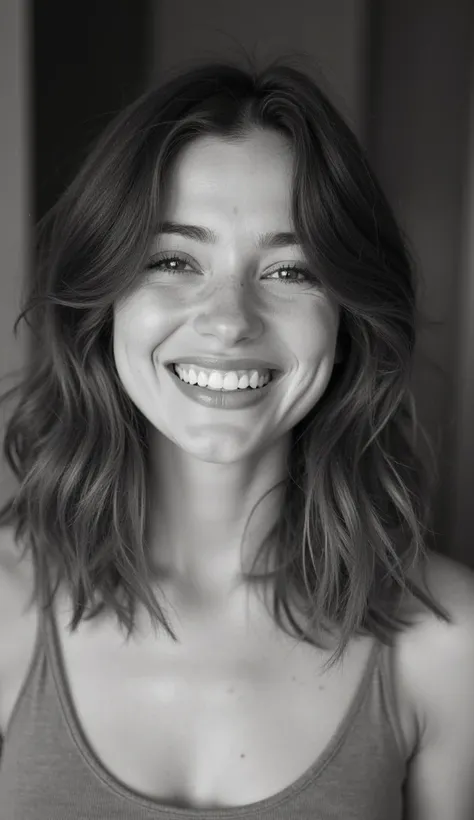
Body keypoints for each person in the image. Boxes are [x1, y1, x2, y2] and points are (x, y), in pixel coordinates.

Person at [0, 54, 473, 819]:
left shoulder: (449, 646)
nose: (229, 320)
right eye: (173, 260)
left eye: (291, 272)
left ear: (349, 319)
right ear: (102, 301)